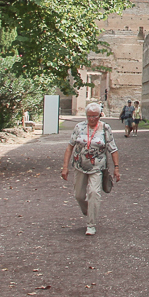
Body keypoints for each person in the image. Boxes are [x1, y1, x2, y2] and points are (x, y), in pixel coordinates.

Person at [61, 101, 120, 236]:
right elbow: (70, 147)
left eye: (95, 116)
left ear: (100, 115)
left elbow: (113, 149)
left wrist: (116, 168)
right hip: (79, 165)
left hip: (97, 167)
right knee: (79, 195)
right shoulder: (79, 127)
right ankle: (89, 211)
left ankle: (91, 224)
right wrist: (65, 167)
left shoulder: (105, 128)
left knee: (94, 192)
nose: (92, 119)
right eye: (89, 116)